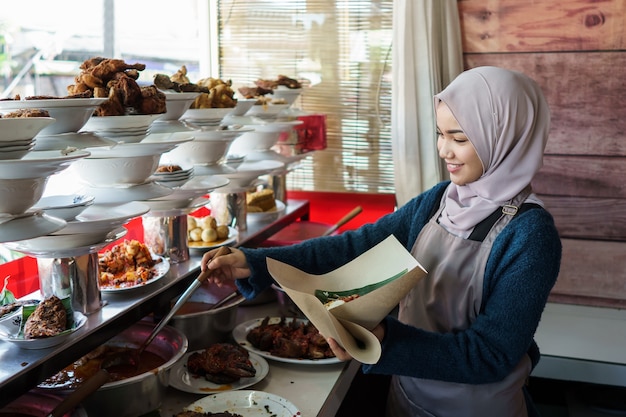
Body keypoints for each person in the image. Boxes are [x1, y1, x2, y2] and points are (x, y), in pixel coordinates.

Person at [200, 66, 562, 417]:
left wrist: (385, 339)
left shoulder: (530, 235)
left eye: (460, 139)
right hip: (408, 396)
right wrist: (255, 263)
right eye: (441, 134)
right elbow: (355, 246)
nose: (444, 151)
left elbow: (489, 354)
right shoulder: (439, 201)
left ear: (506, 137)